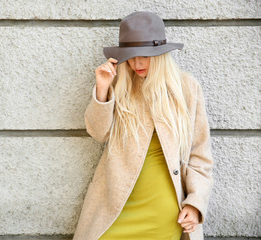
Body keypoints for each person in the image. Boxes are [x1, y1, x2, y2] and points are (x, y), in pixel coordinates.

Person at [73, 11, 214, 240]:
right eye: (130, 55)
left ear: (160, 54)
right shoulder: (120, 84)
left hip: (163, 208)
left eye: (145, 56)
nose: (137, 63)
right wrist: (102, 89)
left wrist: (196, 203)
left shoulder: (186, 88)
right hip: (114, 202)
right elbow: (99, 133)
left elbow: (200, 154)